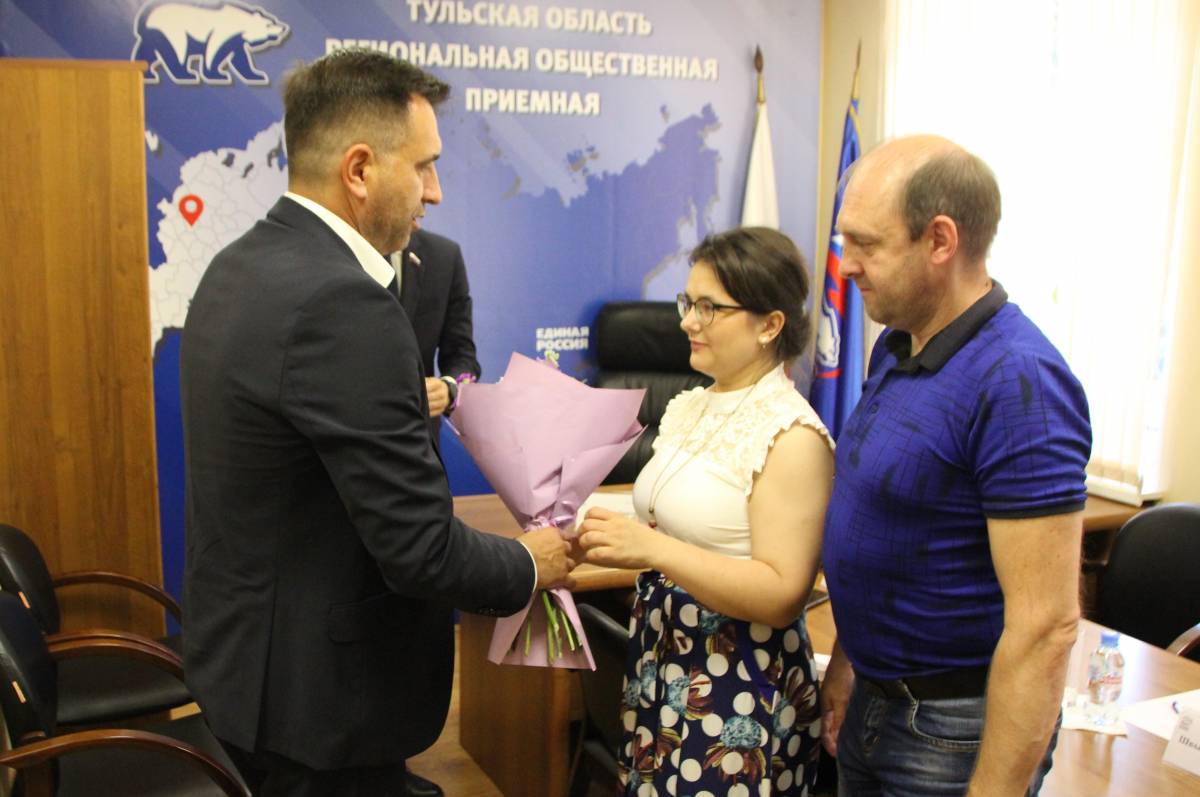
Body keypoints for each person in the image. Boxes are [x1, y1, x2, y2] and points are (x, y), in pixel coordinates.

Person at [179, 50, 574, 797]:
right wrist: (530, 562)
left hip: (246, 664)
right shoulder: (346, 305)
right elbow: (421, 550)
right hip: (315, 705)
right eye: (423, 166)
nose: (435, 191)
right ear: (359, 170)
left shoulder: (238, 265)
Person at [819, 135, 1092, 796]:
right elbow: (883, 521)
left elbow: (1046, 628)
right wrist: (846, 665)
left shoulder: (1019, 382)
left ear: (940, 240)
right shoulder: (897, 344)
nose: (846, 266)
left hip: (953, 728)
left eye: (866, 244)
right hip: (874, 698)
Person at [579, 227, 835, 794]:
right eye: (687, 303)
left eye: (709, 308)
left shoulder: (792, 436)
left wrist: (652, 549)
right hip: (667, 658)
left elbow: (782, 592)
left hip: (739, 681)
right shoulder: (693, 403)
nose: (687, 322)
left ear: (770, 325)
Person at [389, 228, 481, 449]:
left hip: (419, 440)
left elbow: (463, 357)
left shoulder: (444, 256)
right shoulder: (341, 252)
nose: (417, 221)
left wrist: (449, 388)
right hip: (348, 440)